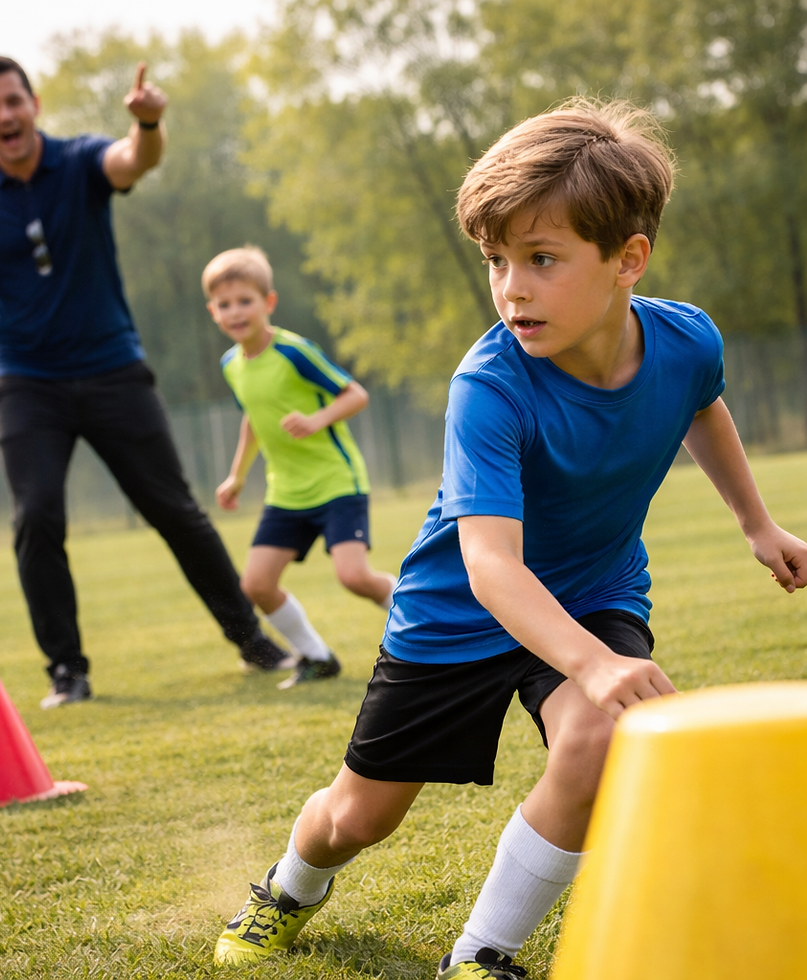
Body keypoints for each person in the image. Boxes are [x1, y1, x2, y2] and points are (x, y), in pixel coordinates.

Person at [212, 99, 807, 977]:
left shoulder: (686, 340)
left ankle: (480, 955)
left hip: (593, 592)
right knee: (359, 818)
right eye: (496, 261)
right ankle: (289, 887)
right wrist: (596, 663)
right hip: (454, 616)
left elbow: (703, 406)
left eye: (542, 259)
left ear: (626, 260)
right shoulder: (489, 386)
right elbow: (490, 565)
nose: (512, 288)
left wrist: (756, 522)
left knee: (597, 737)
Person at [0, 56, 293, 709]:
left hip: (112, 368)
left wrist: (150, 122)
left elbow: (134, 160)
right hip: (25, 382)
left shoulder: (78, 162)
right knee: (36, 515)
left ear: (34, 103)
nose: (5, 115)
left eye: (14, 100)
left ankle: (251, 639)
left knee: (175, 510)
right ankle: (67, 672)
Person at [203, 247, 396, 689]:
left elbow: (355, 394)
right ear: (213, 311)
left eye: (245, 301)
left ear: (267, 303)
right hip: (286, 493)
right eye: (225, 304)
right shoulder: (231, 365)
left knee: (354, 577)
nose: (236, 312)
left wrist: (316, 420)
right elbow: (254, 418)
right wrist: (237, 475)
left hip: (336, 483)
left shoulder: (294, 352)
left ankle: (429, 622)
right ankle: (317, 657)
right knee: (256, 585)